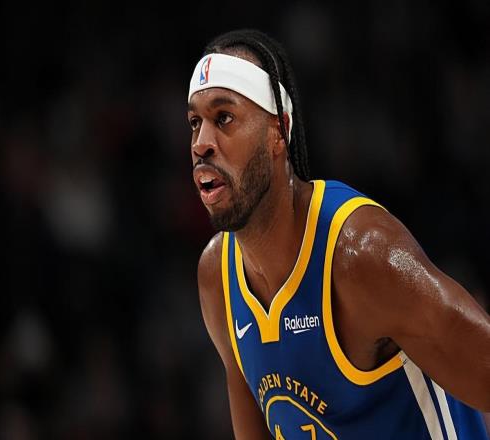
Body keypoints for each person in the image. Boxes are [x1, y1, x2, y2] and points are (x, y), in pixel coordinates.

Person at [187, 29, 490, 439]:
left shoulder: (363, 256)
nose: (201, 143)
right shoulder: (217, 278)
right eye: (195, 123)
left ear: (278, 131)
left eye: (224, 118)